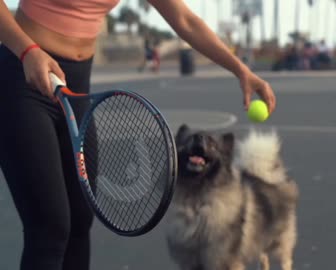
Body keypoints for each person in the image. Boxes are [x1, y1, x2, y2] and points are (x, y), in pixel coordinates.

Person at [0, 1, 276, 270]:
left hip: (76, 90)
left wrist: (240, 69)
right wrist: (27, 51)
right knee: (50, 227)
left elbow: (184, 19)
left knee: (80, 222)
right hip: (22, 78)